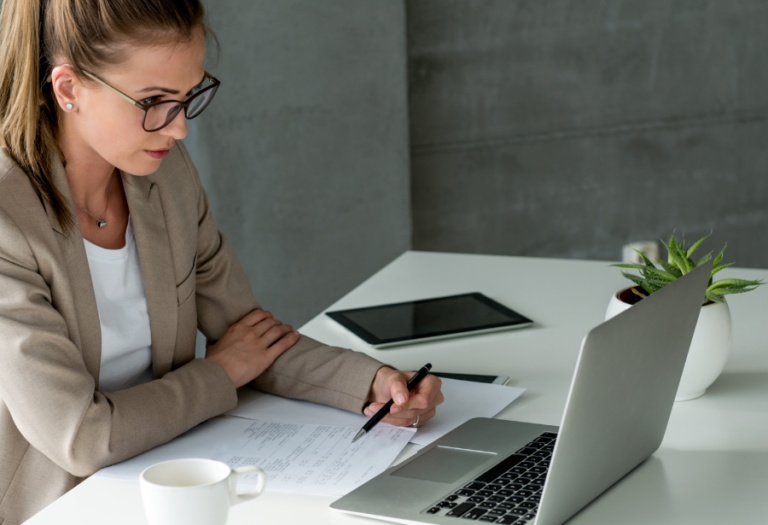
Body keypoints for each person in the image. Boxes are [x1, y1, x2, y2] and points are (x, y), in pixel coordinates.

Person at [0, 1, 444, 523]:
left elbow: (248, 337)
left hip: (176, 470)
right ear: (69, 88)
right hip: (69, 503)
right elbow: (82, 436)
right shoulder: (9, 219)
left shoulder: (164, 175)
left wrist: (374, 383)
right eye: (154, 101)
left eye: (188, 97)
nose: (180, 128)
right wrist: (219, 374)